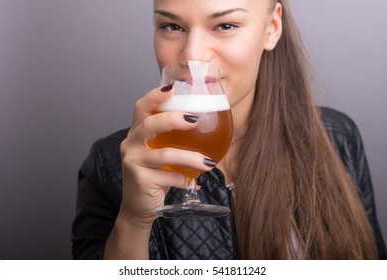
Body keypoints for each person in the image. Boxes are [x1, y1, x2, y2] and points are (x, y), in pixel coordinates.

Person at [72, 0, 386, 259]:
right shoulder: (111, 163)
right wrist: (134, 220)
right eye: (172, 26)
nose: (192, 55)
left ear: (272, 28)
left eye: (225, 26)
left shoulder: (337, 138)